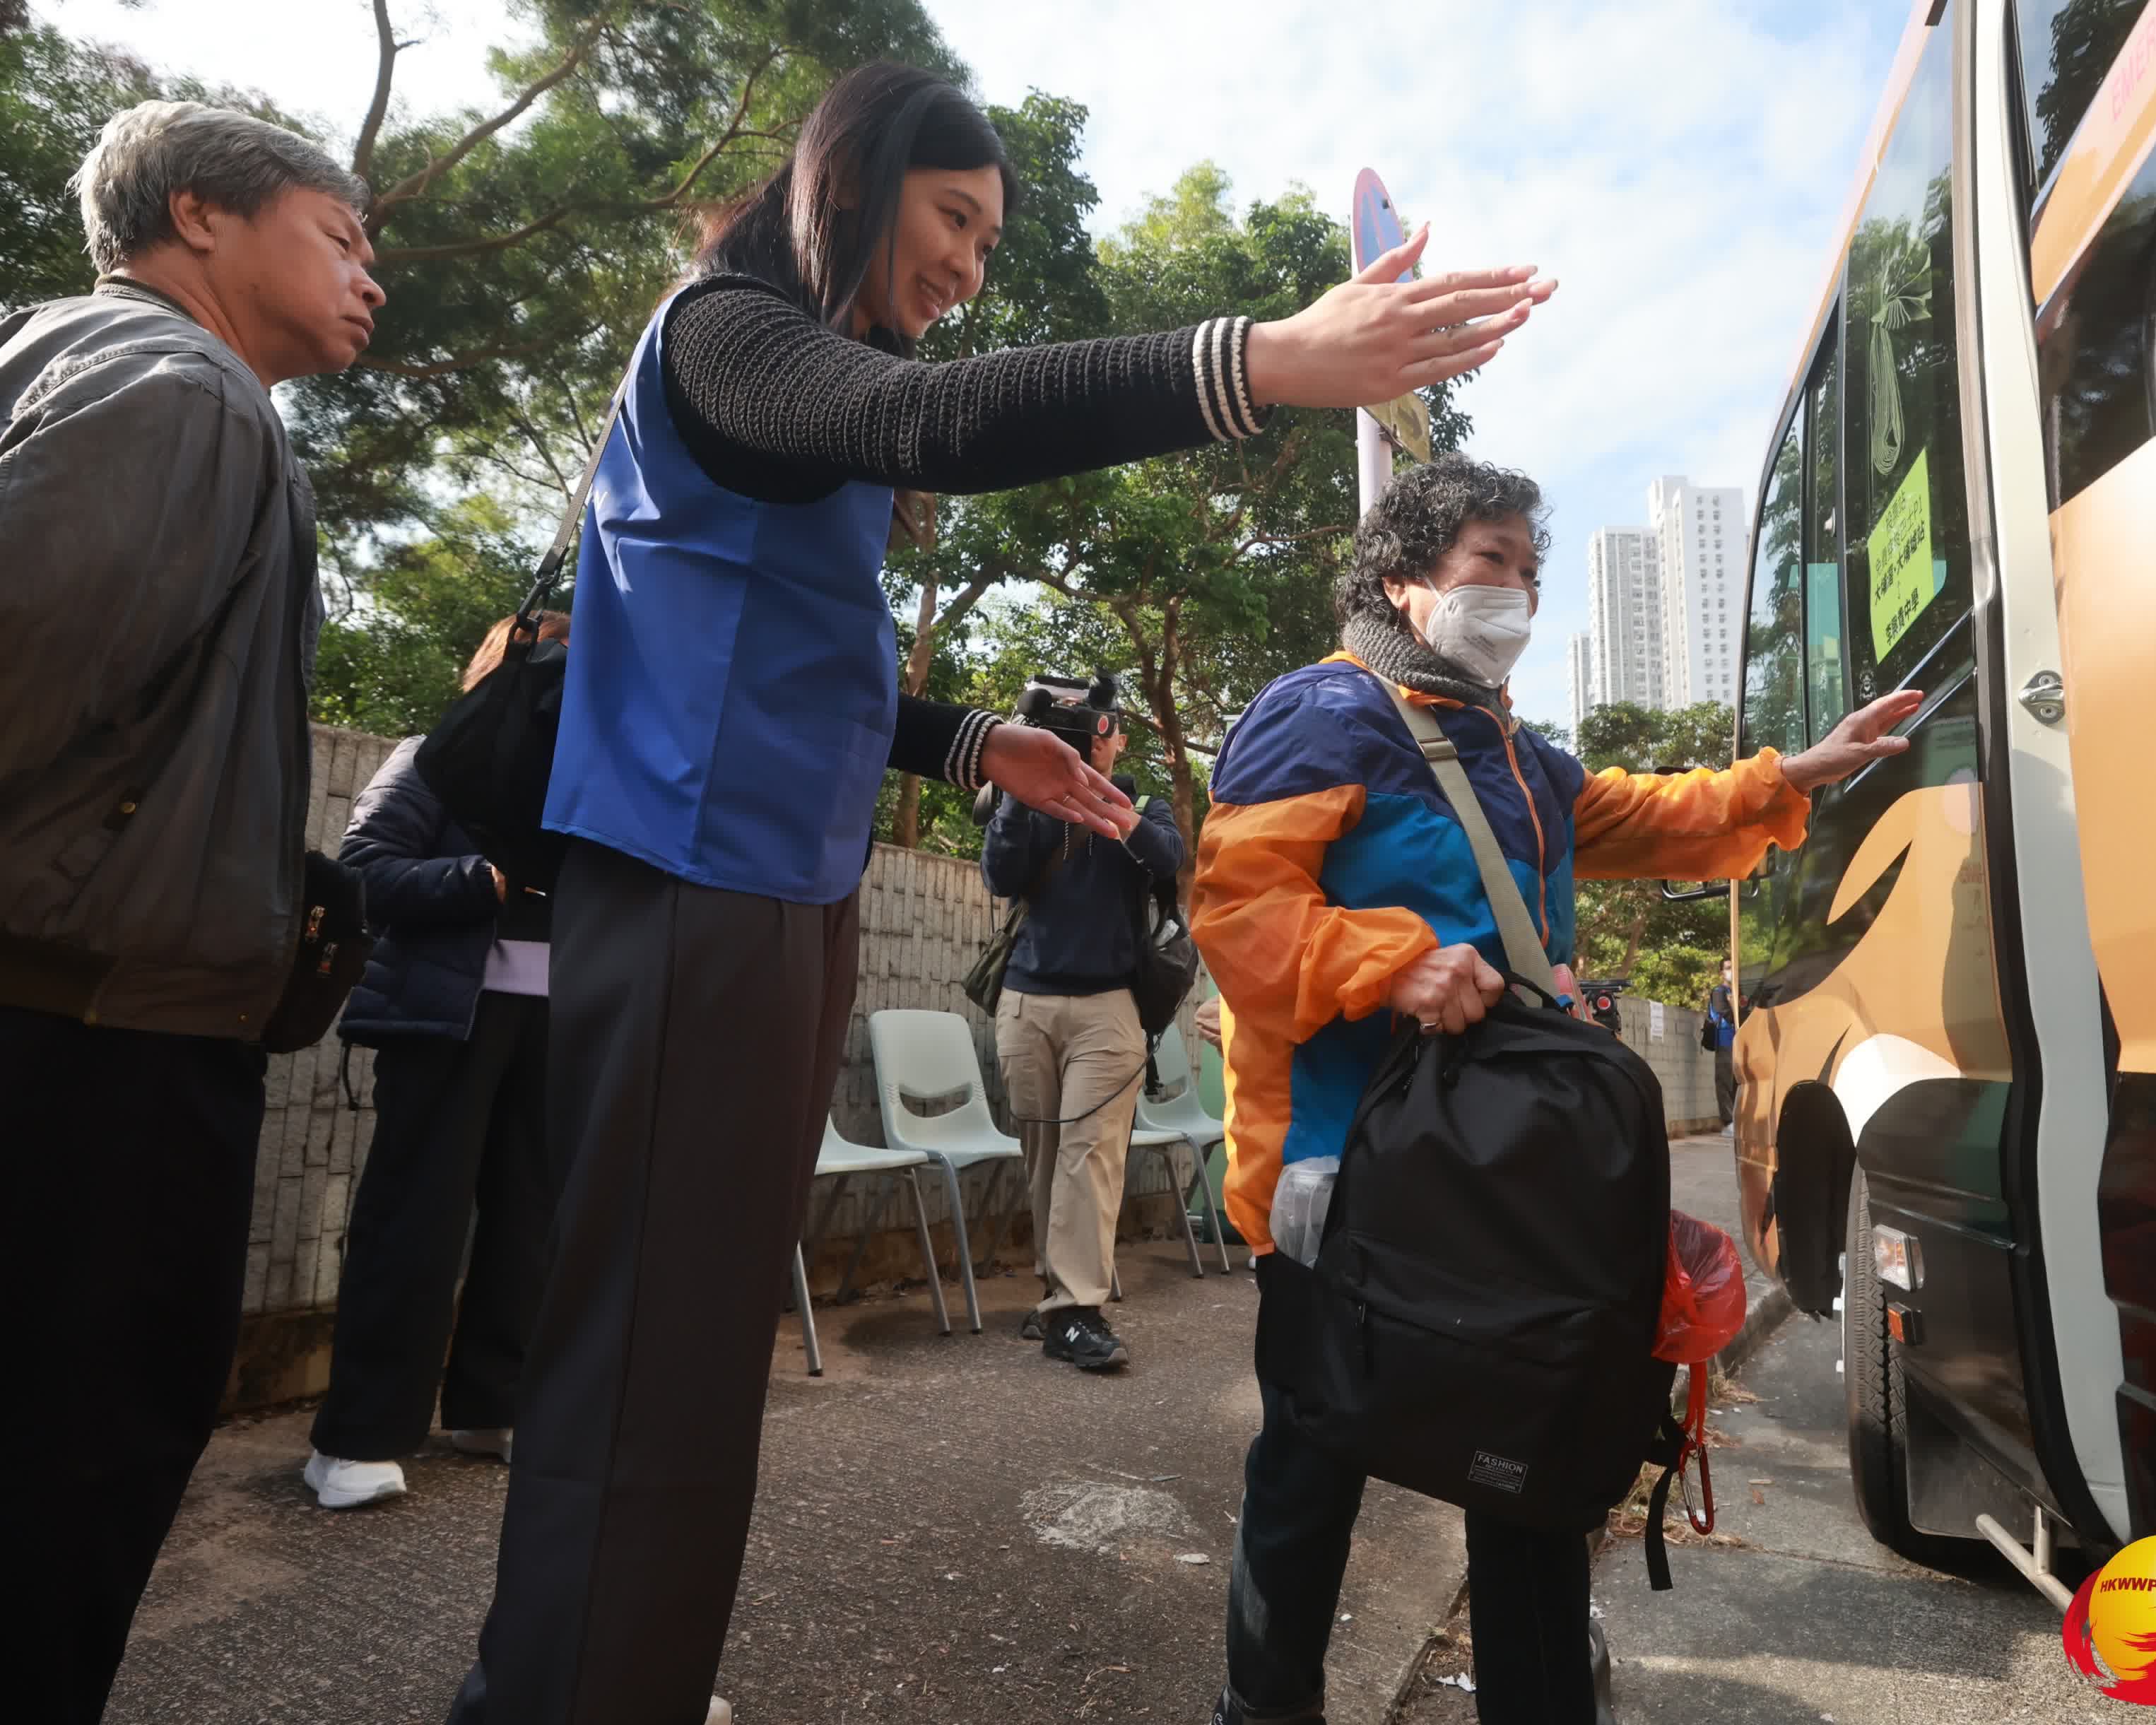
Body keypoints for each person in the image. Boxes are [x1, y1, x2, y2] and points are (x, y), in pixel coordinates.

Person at [447, 61, 1552, 1725]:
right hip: (687, 880)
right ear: (856, 179)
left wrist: (976, 742)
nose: (970, 264)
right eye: (955, 217)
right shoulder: (723, 335)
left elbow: (774, 651)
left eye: (988, 236)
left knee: (687, 1345)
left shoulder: (787, 377)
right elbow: (928, 423)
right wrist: (1263, 361)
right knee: (647, 1354)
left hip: (763, 879)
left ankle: (609, 1666)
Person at [1191, 455, 1919, 1725]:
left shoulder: (1519, 753)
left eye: (1530, 570)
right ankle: (1265, 1708)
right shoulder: (1320, 712)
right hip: (1343, 1162)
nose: (1518, 591)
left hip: (1502, 1170)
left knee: (1521, 1456)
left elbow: (1649, 813)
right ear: (1403, 577)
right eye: (1491, 561)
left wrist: (1786, 778)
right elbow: (1238, 909)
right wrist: (1395, 960)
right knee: (1311, 1458)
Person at [0, 101, 382, 1724]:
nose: (373, 278)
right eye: (344, 236)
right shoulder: (179, 390)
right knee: (52, 1517)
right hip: (90, 1065)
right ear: (202, 216)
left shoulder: (88, 365)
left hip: (84, 1033)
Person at [302, 614, 570, 1509]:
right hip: (446, 1019)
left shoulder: (588, 780)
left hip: (557, 1028)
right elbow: (363, 870)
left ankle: (492, 1406)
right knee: (413, 1221)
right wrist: (485, 879)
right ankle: (358, 1438)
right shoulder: (431, 759)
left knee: (529, 1224)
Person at [983, 693, 1184, 1372]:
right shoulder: (1030, 803)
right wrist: (1019, 789)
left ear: (1114, 741)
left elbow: (1166, 859)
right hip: (1027, 1003)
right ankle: (1055, 1298)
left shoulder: (1142, 806)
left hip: (1109, 1007)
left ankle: (1076, 1310)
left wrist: (1107, 805)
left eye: (1100, 729)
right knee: (1044, 1154)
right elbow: (1000, 875)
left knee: (1089, 1155)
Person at [1702, 960, 1738, 1130]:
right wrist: (1733, 1006)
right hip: (1725, 1040)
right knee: (1724, 1080)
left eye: (1733, 968)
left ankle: (1737, 1118)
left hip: (1740, 1041)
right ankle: (1728, 1121)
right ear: (1722, 972)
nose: (1732, 971)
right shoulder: (1719, 992)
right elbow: (1726, 1013)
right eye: (1728, 968)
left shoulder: (1737, 992)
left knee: (1737, 1082)